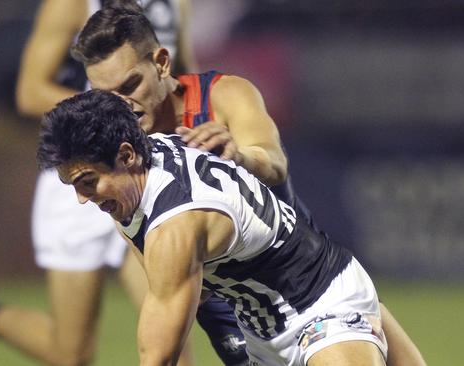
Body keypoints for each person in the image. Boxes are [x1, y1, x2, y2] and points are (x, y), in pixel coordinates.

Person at [71, 6, 425, 366]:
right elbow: (162, 278)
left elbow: (274, 162)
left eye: (130, 86)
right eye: (107, 97)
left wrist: (239, 155)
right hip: (241, 321)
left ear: (161, 63)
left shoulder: (222, 96)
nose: (123, 106)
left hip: (306, 287)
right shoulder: (126, 167)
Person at [0, 1, 247, 366]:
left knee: (172, 345)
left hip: (146, 177)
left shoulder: (176, 4)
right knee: (72, 354)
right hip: (82, 185)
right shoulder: (74, 4)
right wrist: (109, 117)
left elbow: (185, 79)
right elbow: (30, 92)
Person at [37, 89, 390, 365]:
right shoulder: (140, 176)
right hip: (263, 331)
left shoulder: (175, 224)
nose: (83, 199)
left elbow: (158, 357)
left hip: (322, 302)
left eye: (88, 181)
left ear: (127, 156)